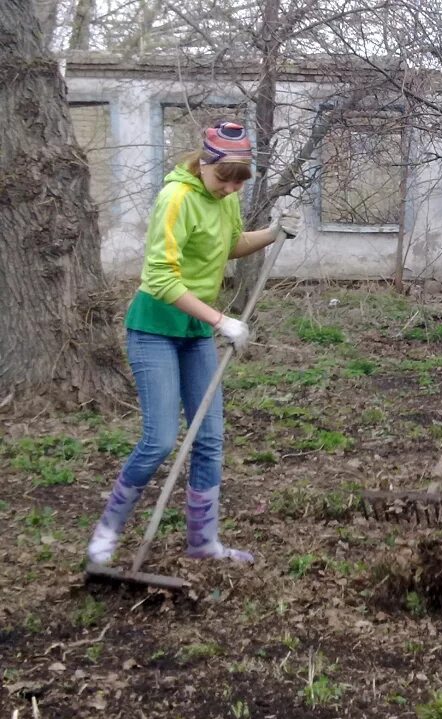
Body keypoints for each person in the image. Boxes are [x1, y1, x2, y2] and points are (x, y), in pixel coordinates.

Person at [87, 121, 301, 565]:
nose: (229, 190)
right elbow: (160, 278)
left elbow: (229, 244)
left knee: (208, 439)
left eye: (238, 184)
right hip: (155, 328)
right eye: (223, 179)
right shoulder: (176, 198)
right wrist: (222, 319)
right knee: (160, 439)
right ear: (203, 163)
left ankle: (203, 543)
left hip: (195, 332)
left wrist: (274, 231)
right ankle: (106, 534)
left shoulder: (226, 200)